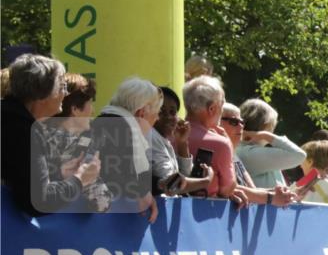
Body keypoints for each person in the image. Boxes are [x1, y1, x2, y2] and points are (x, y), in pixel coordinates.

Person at [1, 54, 101, 215]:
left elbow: (21, 178)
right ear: (42, 94)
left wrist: (59, 174)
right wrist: (79, 180)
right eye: (62, 86)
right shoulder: (22, 130)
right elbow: (39, 202)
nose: (66, 93)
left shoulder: (12, 120)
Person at [90, 77, 163, 222]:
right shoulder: (123, 128)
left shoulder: (99, 121)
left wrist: (158, 185)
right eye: (157, 113)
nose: (158, 119)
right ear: (142, 113)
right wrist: (144, 195)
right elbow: (123, 180)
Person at [39, 73, 114, 212]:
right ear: (75, 109)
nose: (93, 110)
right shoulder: (72, 148)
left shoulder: (35, 134)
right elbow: (102, 202)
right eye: (90, 103)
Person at [219, 103, 295, 206]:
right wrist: (271, 197)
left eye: (242, 122)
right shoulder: (247, 152)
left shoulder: (233, 153)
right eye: (234, 122)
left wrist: (277, 193)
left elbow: (251, 190)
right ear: (216, 120)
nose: (241, 126)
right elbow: (226, 187)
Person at [150, 87, 213, 196]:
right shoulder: (150, 136)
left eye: (172, 112)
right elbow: (171, 184)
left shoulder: (163, 139)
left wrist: (182, 143)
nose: (168, 117)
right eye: (161, 111)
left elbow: (183, 177)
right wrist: (206, 180)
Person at [183, 75, 236, 199]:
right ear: (212, 108)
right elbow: (227, 189)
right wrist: (228, 144)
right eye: (222, 104)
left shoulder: (166, 134)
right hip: (206, 214)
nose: (222, 111)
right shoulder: (221, 143)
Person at [236, 98, 305, 188]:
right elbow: (299, 155)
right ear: (265, 125)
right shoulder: (249, 153)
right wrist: (265, 135)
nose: (272, 132)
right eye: (272, 126)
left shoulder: (247, 151)